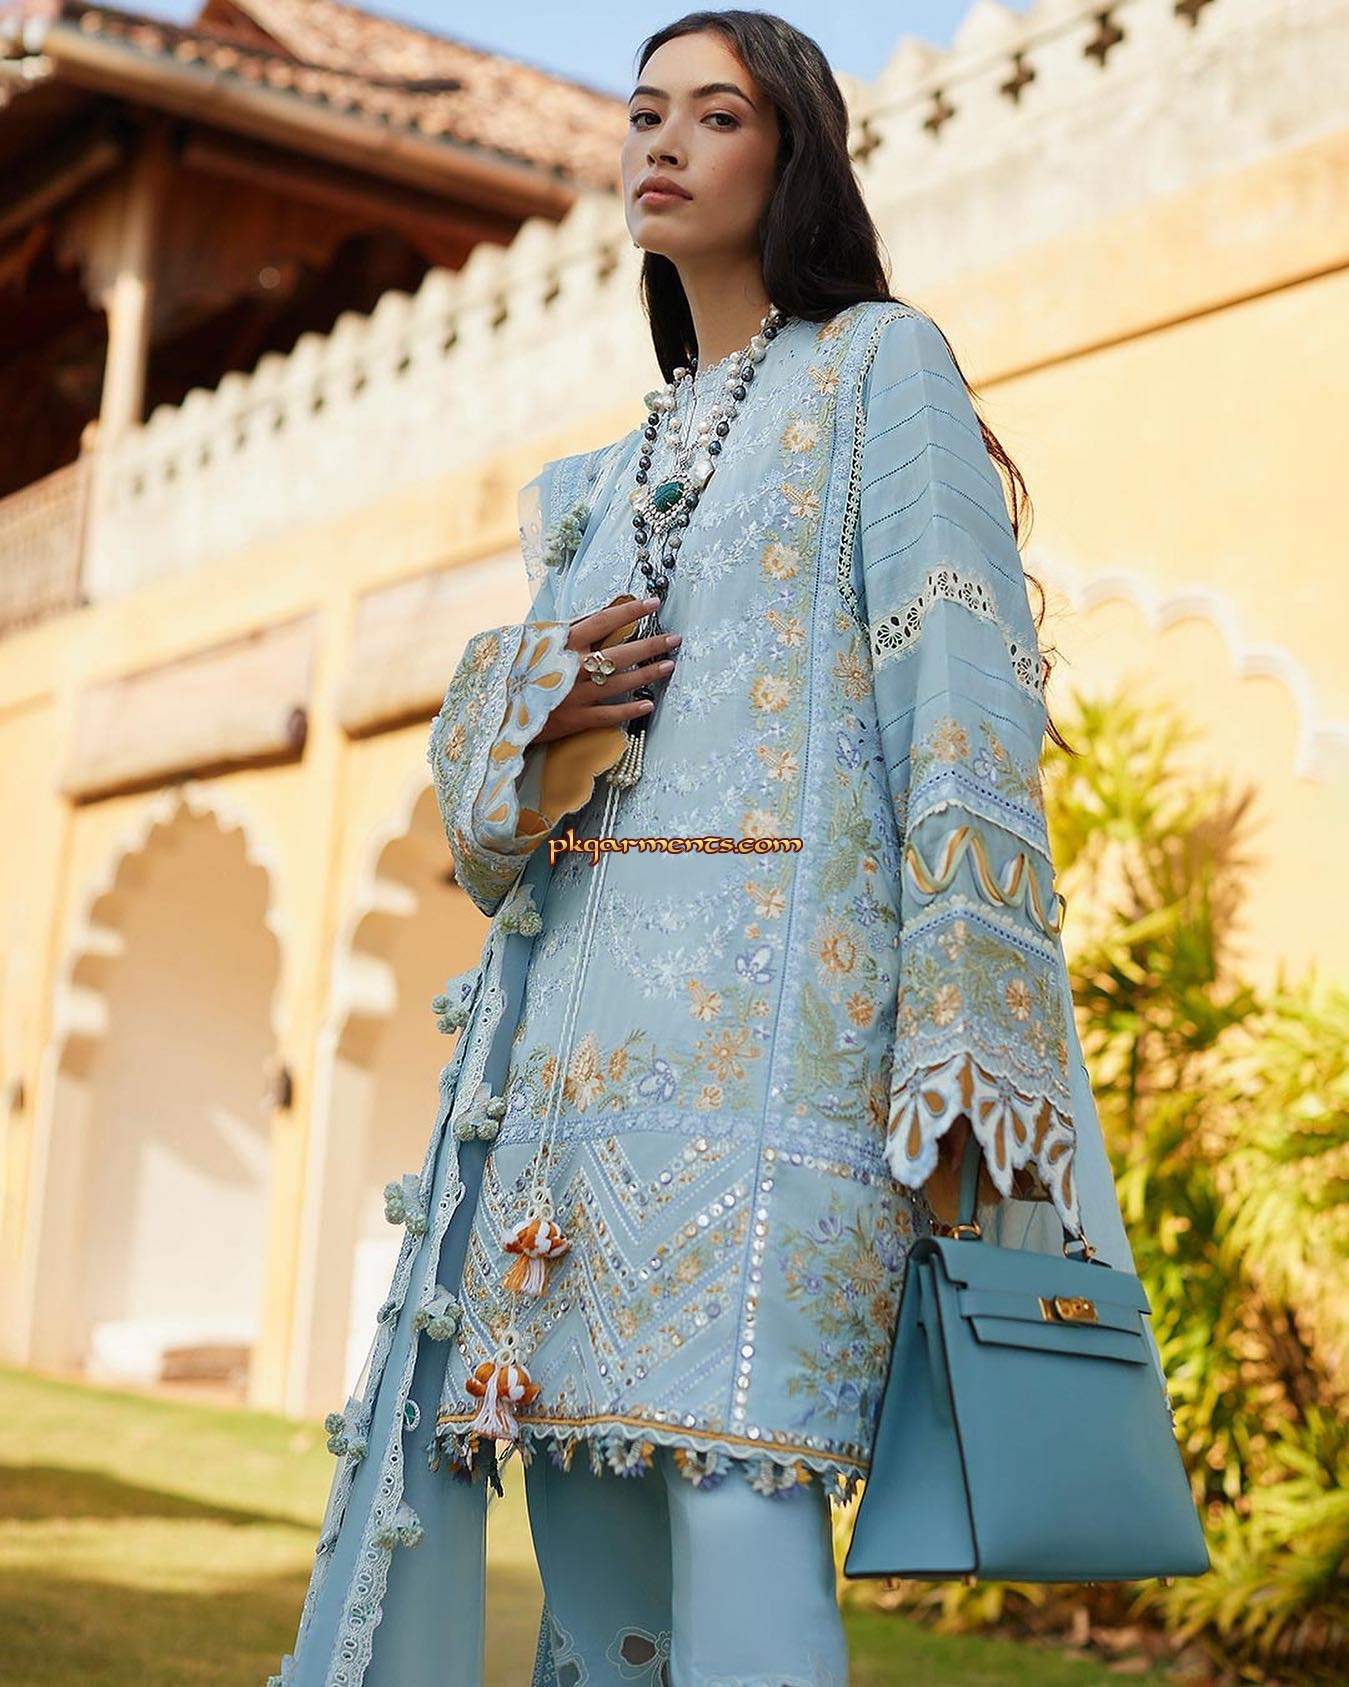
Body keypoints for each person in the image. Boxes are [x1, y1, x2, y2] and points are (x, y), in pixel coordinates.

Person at [270, 11, 1138, 1686]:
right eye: (642, 111)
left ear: (790, 153)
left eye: (714, 114)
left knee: (742, 1503)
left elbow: (963, 696)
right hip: (569, 1082)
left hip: (788, 1072)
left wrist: (962, 1041)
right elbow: (493, 845)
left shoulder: (878, 369)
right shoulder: (587, 488)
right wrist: (520, 704)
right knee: (589, 1541)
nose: (659, 142)